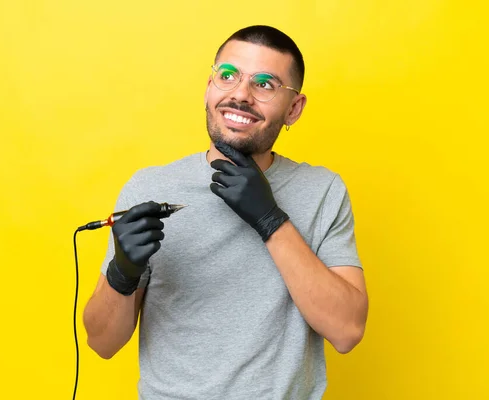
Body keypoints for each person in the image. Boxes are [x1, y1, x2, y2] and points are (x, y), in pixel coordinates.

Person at [82, 25, 369, 399]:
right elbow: (102, 343)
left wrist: (271, 220)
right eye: (228, 76)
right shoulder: (150, 188)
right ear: (208, 88)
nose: (240, 95)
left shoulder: (322, 191)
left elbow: (347, 331)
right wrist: (121, 273)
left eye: (265, 84)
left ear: (293, 109)